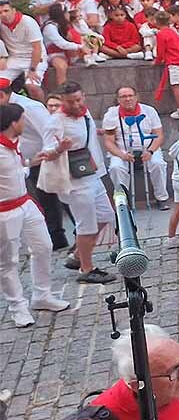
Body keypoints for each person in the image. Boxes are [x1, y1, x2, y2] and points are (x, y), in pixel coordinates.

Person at [0, 103, 69, 327]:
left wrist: (32, 162)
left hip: (25, 203)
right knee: (8, 261)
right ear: (13, 123)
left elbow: (17, 170)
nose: (25, 123)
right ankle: (17, 307)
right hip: (4, 211)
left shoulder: (14, 144)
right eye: (22, 119)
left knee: (43, 246)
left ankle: (42, 294)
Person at [44, 82, 116, 284]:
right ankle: (86, 268)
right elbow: (47, 153)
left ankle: (77, 255)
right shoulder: (55, 122)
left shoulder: (85, 114)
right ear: (62, 101)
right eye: (70, 102)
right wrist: (59, 149)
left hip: (93, 172)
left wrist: (99, 132)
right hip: (75, 179)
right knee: (87, 226)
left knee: (106, 215)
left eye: (78, 99)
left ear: (83, 96)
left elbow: (86, 135)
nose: (75, 104)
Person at [101, 86, 171, 209]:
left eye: (130, 96)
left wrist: (150, 151)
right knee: (115, 167)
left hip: (148, 148)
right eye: (123, 96)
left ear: (136, 97)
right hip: (122, 150)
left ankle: (162, 198)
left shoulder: (149, 111)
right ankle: (123, 201)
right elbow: (109, 142)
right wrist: (122, 155)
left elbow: (159, 135)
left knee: (158, 164)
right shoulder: (111, 114)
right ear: (118, 99)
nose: (128, 99)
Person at [0, 0, 45, 100]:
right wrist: (3, 57)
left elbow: (37, 48)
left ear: (14, 10)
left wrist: (32, 69)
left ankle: (42, 110)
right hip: (14, 58)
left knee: (32, 86)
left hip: (35, 58)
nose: (4, 15)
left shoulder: (28, 22)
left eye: (6, 11)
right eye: (0, 12)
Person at [150, 12, 179, 119]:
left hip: (175, 62)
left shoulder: (161, 34)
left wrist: (157, 61)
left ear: (156, 21)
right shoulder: (172, 32)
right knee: (177, 85)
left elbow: (160, 51)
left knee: (176, 86)